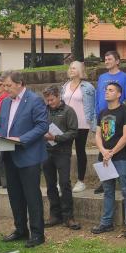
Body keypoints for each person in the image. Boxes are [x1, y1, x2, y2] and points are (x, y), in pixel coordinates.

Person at [0, 70, 49, 248]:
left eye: (9, 86)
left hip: (28, 155)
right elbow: (3, 125)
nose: (6, 89)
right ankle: (20, 229)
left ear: (20, 83)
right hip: (9, 154)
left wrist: (22, 139)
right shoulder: (4, 103)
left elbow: (42, 126)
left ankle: (37, 233)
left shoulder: (34, 100)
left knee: (31, 196)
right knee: (15, 196)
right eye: (4, 86)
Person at [91, 82, 126, 238]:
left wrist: (111, 152)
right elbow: (98, 135)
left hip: (121, 158)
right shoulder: (102, 112)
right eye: (106, 90)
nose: (107, 92)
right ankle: (106, 222)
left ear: (119, 94)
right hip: (104, 157)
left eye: (111, 90)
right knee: (108, 191)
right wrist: (103, 151)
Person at [93, 51, 126, 194]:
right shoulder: (102, 77)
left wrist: (121, 111)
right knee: (103, 146)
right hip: (103, 117)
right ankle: (105, 181)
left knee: (116, 145)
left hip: (118, 117)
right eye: (105, 59)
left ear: (117, 61)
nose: (106, 61)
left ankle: (121, 180)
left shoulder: (124, 77)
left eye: (109, 59)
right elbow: (98, 97)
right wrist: (98, 112)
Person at [42, 85, 80, 230]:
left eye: (52, 99)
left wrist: (57, 137)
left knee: (64, 183)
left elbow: (74, 132)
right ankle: (55, 215)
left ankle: (69, 217)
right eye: (47, 100)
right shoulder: (44, 111)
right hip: (46, 151)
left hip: (62, 151)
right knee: (50, 184)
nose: (49, 102)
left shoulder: (68, 111)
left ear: (58, 96)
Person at [61, 61, 96, 193]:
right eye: (70, 68)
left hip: (82, 124)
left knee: (80, 151)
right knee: (65, 152)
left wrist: (93, 123)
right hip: (67, 124)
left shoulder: (88, 87)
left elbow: (92, 107)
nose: (71, 70)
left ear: (81, 70)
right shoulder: (65, 86)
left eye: (74, 68)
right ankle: (64, 181)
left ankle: (81, 181)